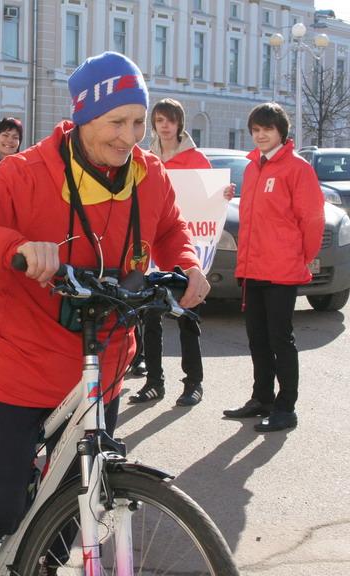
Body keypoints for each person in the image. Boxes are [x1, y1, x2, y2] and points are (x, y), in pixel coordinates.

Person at [0, 51, 209, 576]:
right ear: (82, 116)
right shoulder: (27, 174)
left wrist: (187, 265)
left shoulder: (150, 176)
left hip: (104, 368)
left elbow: (168, 228)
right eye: (116, 121)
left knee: (78, 504)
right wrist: (15, 247)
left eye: (138, 122)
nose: (129, 136)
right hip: (21, 368)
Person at [223, 102, 324, 432]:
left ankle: (286, 407)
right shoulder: (253, 168)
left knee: (280, 339)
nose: (260, 134)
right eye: (255, 130)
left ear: (282, 131)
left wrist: (302, 257)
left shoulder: (297, 168)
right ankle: (262, 397)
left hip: (281, 269)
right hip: (252, 268)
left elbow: (311, 218)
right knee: (257, 338)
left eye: (267, 129)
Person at [129, 98, 234, 407]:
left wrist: (223, 194)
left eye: (170, 120)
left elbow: (210, 199)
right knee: (150, 317)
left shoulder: (196, 158)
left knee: (188, 315)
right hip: (152, 248)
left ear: (179, 124)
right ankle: (154, 382)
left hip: (188, 248)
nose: (164, 125)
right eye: (159, 120)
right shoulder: (147, 159)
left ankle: (193, 383)